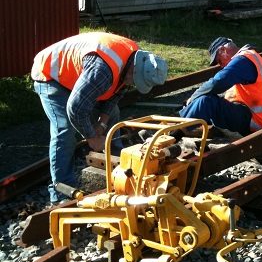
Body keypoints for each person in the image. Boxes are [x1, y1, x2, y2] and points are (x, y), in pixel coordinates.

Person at [31, 32, 168, 203]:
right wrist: (91, 136)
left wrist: (101, 126)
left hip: (79, 76)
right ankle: (61, 192)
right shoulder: (103, 70)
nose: (133, 84)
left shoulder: (136, 61)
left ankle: (119, 167)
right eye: (135, 81)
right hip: (51, 75)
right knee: (64, 129)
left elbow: (115, 96)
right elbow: (76, 108)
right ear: (134, 69)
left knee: (113, 114)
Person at [179, 37, 262, 136]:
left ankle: (175, 134)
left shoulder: (242, 61)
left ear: (223, 50)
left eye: (219, 61)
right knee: (208, 101)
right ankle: (180, 123)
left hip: (254, 122)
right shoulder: (250, 57)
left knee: (206, 102)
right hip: (254, 117)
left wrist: (194, 97)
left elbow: (217, 82)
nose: (221, 66)